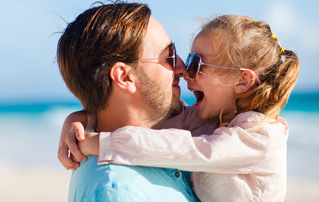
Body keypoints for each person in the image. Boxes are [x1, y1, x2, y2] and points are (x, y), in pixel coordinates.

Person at [60, 15, 299, 202]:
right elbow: (157, 126)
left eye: (197, 63)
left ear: (242, 81)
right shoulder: (209, 120)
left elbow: (182, 148)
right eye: (173, 57)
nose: (184, 70)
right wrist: (81, 118)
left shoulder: (260, 136)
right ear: (124, 76)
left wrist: (105, 143)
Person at [56, 1, 198, 201]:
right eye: (169, 56)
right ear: (124, 77)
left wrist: (80, 118)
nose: (181, 68)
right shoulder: (118, 192)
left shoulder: (169, 136)